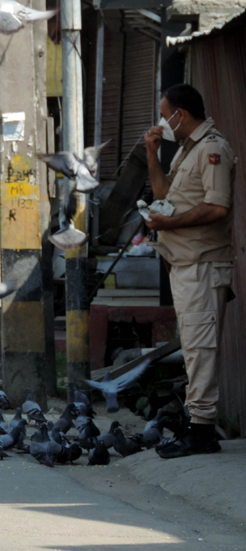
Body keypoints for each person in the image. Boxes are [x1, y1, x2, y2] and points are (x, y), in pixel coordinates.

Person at [143, 83, 236, 459]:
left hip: (203, 265)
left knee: (200, 350)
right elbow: (165, 193)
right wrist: (153, 153)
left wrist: (170, 223)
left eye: (166, 116)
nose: (163, 122)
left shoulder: (211, 150)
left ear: (182, 114)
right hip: (186, 265)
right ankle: (195, 424)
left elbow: (218, 207)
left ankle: (201, 433)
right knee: (194, 348)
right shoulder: (187, 150)